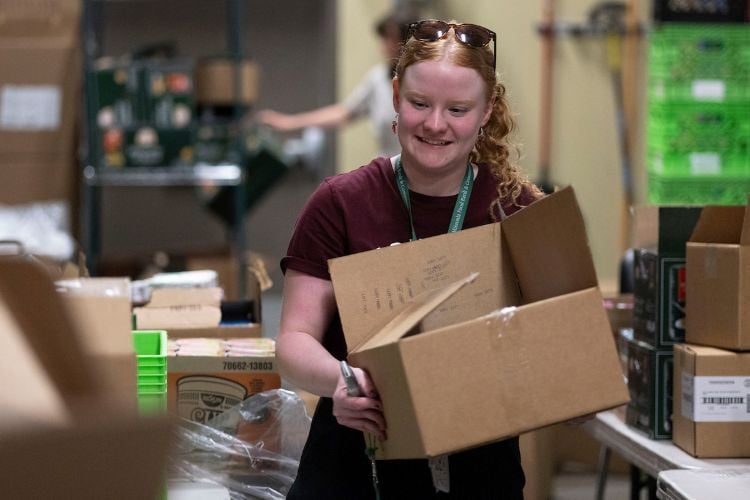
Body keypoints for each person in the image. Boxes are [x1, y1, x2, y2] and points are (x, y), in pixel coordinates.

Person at [278, 18, 544, 499]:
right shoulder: (340, 202)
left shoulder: (516, 209)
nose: (435, 124)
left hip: (479, 469)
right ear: (397, 93)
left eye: (458, 109)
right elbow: (294, 341)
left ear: (486, 111)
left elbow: (557, 341)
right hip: (355, 460)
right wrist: (340, 381)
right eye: (420, 103)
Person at [256, 14, 408, 158]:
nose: (385, 46)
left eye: (391, 39)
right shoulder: (378, 78)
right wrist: (290, 122)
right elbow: (343, 112)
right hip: (390, 172)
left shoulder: (424, 79)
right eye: (384, 39)